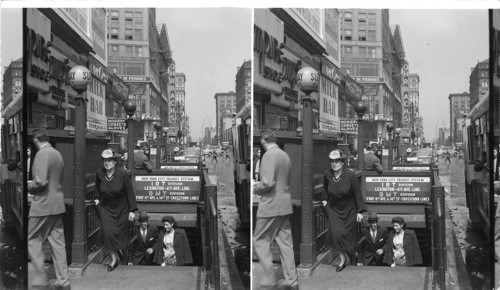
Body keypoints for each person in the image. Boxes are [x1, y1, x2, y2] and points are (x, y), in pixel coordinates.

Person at [253, 129, 298, 289]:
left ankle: (269, 278)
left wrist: (256, 188)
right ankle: (291, 281)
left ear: (263, 141)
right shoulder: (284, 155)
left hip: (270, 205)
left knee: (259, 239)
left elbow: (267, 182)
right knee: (286, 244)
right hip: (284, 205)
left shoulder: (268, 155)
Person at [27, 128, 71, 290]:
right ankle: (63, 281)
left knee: (32, 239)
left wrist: (29, 186)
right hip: (57, 205)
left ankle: (40, 281)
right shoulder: (57, 154)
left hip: (43, 205)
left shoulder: (41, 154)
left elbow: (40, 181)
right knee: (58, 244)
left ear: (36, 140)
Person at [321, 149, 366, 272]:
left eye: (337, 161)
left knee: (345, 235)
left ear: (342, 162)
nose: (334, 164)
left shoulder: (350, 175)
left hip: (349, 209)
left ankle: (352, 255)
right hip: (334, 209)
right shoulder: (327, 174)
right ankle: (342, 259)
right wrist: (325, 200)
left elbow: (357, 194)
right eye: (332, 161)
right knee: (336, 235)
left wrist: (360, 211)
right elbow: (325, 189)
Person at [95, 148, 138, 272]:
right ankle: (114, 258)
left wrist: (132, 210)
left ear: (115, 162)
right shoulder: (100, 173)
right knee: (108, 233)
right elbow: (97, 188)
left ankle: (125, 255)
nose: (107, 163)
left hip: (121, 209)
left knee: (118, 234)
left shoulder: (122, 174)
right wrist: (97, 198)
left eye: (109, 160)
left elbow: (130, 192)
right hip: (106, 209)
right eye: (104, 160)